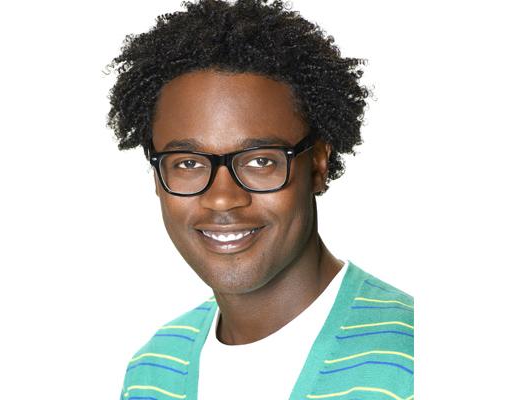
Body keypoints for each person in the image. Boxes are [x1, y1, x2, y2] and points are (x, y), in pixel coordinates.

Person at [106, 1, 414, 399]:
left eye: (260, 160)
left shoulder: (412, 363)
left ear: (318, 164)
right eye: (188, 163)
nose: (222, 199)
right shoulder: (153, 371)